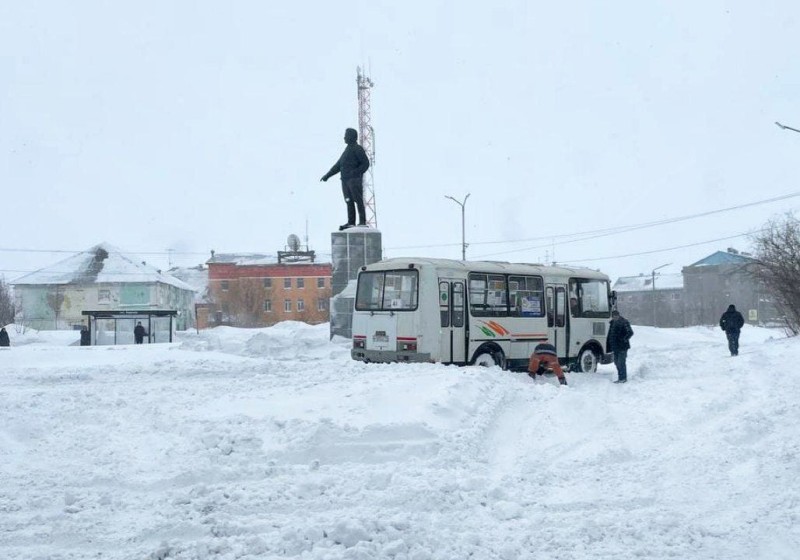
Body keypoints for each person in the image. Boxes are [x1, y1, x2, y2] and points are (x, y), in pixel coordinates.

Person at [320, 127, 370, 231]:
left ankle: (362, 221)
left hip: (354, 180)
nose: (344, 138)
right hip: (345, 180)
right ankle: (351, 222)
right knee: (348, 201)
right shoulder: (347, 150)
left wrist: (355, 173)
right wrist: (327, 176)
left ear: (351, 136)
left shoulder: (357, 148)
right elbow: (338, 165)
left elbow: (365, 163)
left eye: (346, 135)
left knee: (358, 200)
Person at [608, 310, 634, 383]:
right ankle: (620, 377)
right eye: (613, 316)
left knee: (621, 362)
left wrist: (623, 339)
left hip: (623, 346)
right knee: (616, 362)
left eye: (616, 316)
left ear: (618, 315)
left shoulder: (624, 322)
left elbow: (630, 332)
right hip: (615, 347)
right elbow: (610, 334)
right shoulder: (612, 323)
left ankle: (623, 378)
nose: (615, 317)